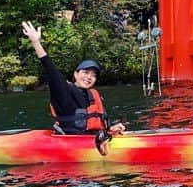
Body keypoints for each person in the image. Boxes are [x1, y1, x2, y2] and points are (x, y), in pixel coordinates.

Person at [21, 21, 126, 150]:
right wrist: (36, 42)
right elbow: (51, 70)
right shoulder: (64, 92)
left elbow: (97, 126)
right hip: (74, 144)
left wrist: (110, 129)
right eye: (85, 72)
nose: (89, 77)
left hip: (97, 139)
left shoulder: (92, 95)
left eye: (93, 75)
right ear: (75, 74)